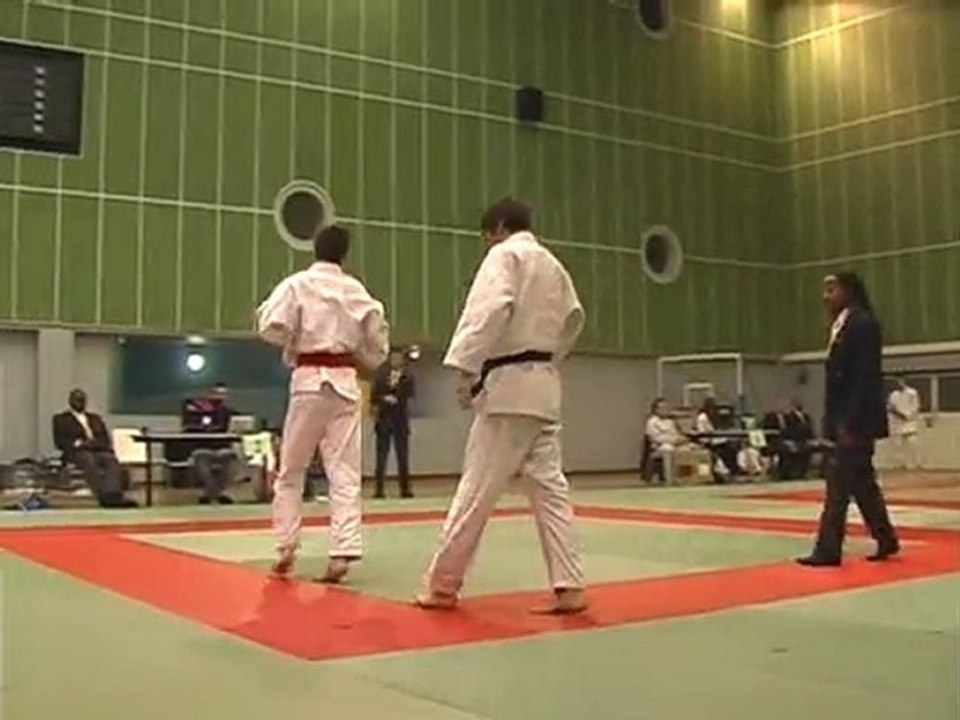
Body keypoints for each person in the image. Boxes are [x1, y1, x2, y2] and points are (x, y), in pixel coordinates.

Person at [417, 197, 587, 615]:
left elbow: (488, 311)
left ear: (496, 228)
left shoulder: (505, 255)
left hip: (509, 389)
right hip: (545, 385)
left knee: (477, 488)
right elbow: (573, 320)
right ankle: (570, 585)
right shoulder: (552, 264)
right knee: (550, 489)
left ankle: (442, 585)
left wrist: (465, 368)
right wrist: (544, 357)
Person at [256, 225, 389, 583]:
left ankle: (286, 547)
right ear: (345, 254)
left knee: (291, 470)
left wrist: (293, 341)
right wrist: (364, 357)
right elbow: (378, 344)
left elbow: (269, 324)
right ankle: (343, 550)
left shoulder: (298, 284)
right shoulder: (357, 291)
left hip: (309, 381)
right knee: (344, 471)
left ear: (315, 249)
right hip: (346, 383)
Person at [797, 272, 900, 567]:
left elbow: (864, 378)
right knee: (862, 483)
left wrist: (850, 423)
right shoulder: (842, 325)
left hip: (856, 420)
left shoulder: (864, 324)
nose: (825, 296)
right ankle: (886, 537)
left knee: (838, 486)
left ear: (849, 291)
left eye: (832, 289)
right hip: (845, 418)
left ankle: (828, 549)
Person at [52, 389, 137, 508]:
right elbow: (60, 442)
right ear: (70, 401)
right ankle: (102, 495)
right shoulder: (61, 419)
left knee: (110, 460)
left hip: (97, 449)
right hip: (77, 453)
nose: (79, 402)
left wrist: (90, 443)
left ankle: (113, 494)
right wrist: (79, 444)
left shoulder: (95, 418)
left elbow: (105, 440)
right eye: (77, 399)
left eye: (82, 400)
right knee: (88, 460)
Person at [182, 382, 236, 504]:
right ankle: (211, 493)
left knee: (229, 456)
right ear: (211, 393)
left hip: (222, 447)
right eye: (218, 393)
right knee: (200, 456)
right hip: (204, 447)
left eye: (223, 394)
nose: (220, 396)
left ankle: (216, 493)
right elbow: (189, 427)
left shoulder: (227, 412)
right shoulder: (197, 408)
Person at [371, 348, 415, 499]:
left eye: (398, 358)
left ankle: (405, 489)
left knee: (403, 456)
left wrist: (398, 396)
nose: (395, 361)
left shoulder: (408, 376)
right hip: (384, 420)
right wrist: (384, 399)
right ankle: (379, 489)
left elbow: (411, 393)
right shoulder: (381, 376)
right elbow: (373, 396)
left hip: (400, 421)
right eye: (393, 358)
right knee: (381, 457)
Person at [644, 397, 685, 483]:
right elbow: (655, 438)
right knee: (668, 449)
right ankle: (669, 478)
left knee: (691, 448)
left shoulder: (670, 421)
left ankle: (686, 477)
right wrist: (673, 441)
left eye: (666, 407)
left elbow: (676, 434)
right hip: (659, 447)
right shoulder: (652, 422)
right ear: (656, 410)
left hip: (676, 444)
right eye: (662, 408)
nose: (665, 410)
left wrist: (680, 439)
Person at [887, 377, 921, 471]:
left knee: (912, 443)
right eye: (896, 382)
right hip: (897, 422)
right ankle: (899, 466)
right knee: (897, 445)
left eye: (900, 381)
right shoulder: (893, 394)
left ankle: (914, 465)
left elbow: (916, 407)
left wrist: (907, 415)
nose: (898, 384)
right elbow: (890, 407)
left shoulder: (912, 393)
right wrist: (897, 413)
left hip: (909, 421)